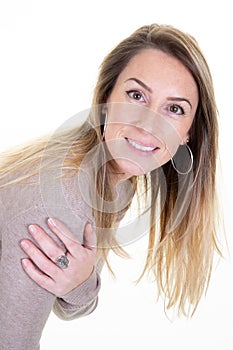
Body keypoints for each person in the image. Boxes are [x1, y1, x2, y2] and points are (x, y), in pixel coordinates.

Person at [0, 23, 220, 349]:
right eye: (136, 95)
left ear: (189, 132)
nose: (148, 124)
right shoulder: (65, 199)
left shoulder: (116, 182)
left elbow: (67, 300)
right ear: (106, 98)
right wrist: (82, 286)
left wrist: (83, 283)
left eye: (174, 109)